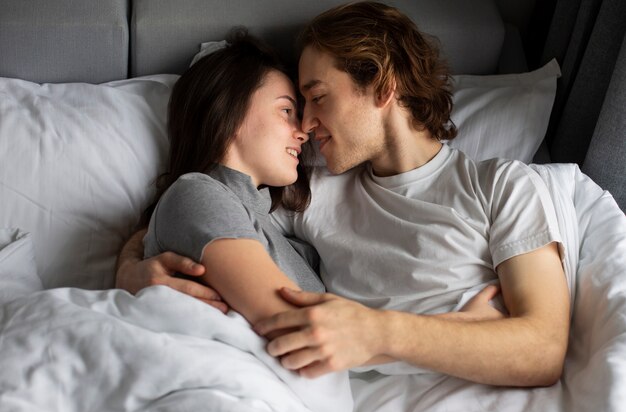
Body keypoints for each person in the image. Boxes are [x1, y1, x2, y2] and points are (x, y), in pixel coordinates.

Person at [117, 1, 570, 389]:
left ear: (380, 84)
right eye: (295, 107)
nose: (306, 126)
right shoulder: (309, 192)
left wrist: (380, 333)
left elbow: (544, 350)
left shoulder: (503, 186)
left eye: (317, 98)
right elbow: (203, 208)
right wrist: (130, 272)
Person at [136, 30, 328, 329]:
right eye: (286, 110)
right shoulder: (197, 192)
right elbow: (295, 324)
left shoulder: (272, 227)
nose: (303, 131)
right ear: (229, 113)